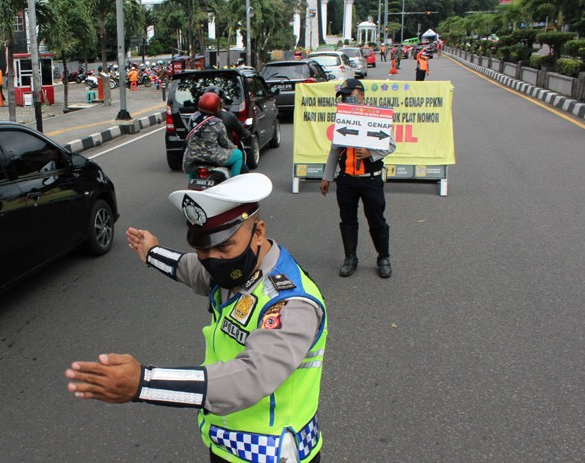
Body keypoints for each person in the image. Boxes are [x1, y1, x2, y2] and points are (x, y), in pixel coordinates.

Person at [65, 173, 328, 463]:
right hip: (227, 443)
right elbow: (190, 269)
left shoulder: (290, 302)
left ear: (259, 232)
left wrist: (143, 382)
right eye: (203, 248)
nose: (213, 258)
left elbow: (252, 376)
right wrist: (152, 252)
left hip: (274, 454)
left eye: (224, 246)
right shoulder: (235, 270)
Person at [319, 79, 396, 278]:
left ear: (360, 94)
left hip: (371, 180)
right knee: (347, 220)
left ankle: (383, 258)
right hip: (346, 180)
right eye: (343, 97)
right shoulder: (343, 119)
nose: (346, 99)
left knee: (376, 219)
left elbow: (391, 145)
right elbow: (334, 151)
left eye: (349, 95)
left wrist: (371, 153)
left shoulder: (377, 116)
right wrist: (327, 177)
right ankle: (350, 258)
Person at [182, 92, 245, 177]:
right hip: (213, 156)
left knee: (194, 164)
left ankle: (192, 183)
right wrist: (233, 147)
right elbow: (225, 142)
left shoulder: (193, 118)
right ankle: (233, 182)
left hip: (192, 155)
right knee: (238, 154)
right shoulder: (217, 122)